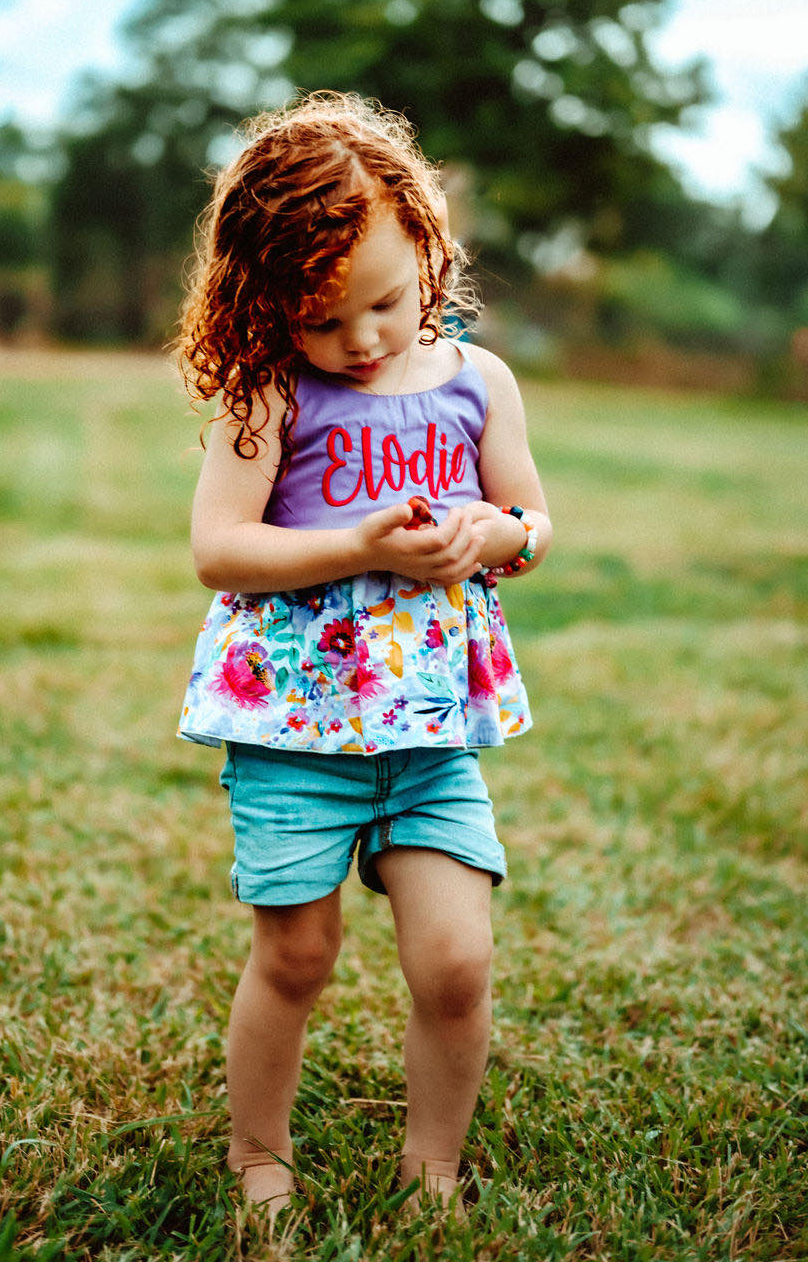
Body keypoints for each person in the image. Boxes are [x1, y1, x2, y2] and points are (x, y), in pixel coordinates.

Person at [174, 92, 552, 1225]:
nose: (365, 339)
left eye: (385, 303)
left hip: (432, 731)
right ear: (263, 305)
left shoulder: (477, 382)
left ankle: (430, 1166)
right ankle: (259, 1157)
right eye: (326, 318)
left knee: (455, 963)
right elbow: (217, 548)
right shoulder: (269, 391)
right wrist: (354, 541)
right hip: (296, 732)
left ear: (427, 246)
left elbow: (532, 522)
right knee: (296, 957)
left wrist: (495, 536)